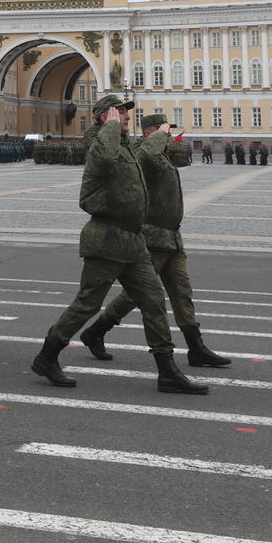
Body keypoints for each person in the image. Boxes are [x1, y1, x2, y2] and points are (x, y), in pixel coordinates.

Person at [30, 97, 207, 395]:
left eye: (125, 112)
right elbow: (105, 158)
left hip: (133, 240)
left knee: (153, 300)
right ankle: (47, 356)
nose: (126, 116)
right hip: (106, 237)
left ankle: (167, 370)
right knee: (88, 303)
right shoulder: (101, 144)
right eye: (120, 112)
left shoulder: (124, 145)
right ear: (104, 117)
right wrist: (110, 125)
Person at [77, 113, 230, 371]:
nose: (169, 137)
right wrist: (160, 137)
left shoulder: (159, 154)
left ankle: (196, 347)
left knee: (182, 292)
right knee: (136, 295)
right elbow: (148, 156)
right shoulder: (142, 153)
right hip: (153, 236)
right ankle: (96, 331)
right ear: (150, 133)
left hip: (172, 237)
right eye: (165, 132)